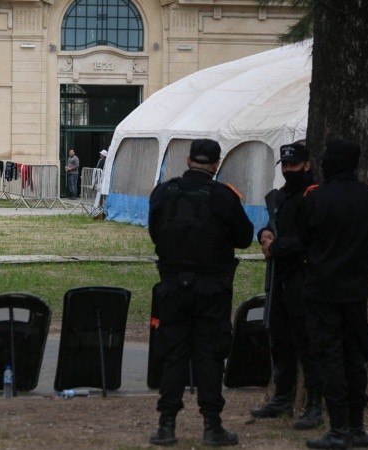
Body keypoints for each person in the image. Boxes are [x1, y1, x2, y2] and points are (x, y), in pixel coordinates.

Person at [148, 139, 253, 447]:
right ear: (217, 164)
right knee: (209, 356)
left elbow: (155, 231)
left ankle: (166, 425)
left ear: (188, 158)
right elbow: (244, 238)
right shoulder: (223, 197)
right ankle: (212, 425)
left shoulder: (164, 192)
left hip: (172, 286)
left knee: (173, 355)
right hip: (210, 289)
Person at [297, 138, 368, 449]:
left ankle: (338, 429)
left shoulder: (317, 198)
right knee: (354, 357)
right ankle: (357, 427)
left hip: (323, 290)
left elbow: (304, 237)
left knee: (330, 357)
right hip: (356, 289)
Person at [251, 142, 324, 430]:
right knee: (281, 340)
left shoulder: (312, 196)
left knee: (307, 344)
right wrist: (265, 235)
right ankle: (282, 397)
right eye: (285, 165)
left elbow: (309, 240)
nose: (288, 169)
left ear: (307, 165)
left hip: (303, 278)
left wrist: (277, 245)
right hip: (280, 277)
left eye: (294, 165)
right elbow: (271, 224)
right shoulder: (281, 196)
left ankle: (314, 405)